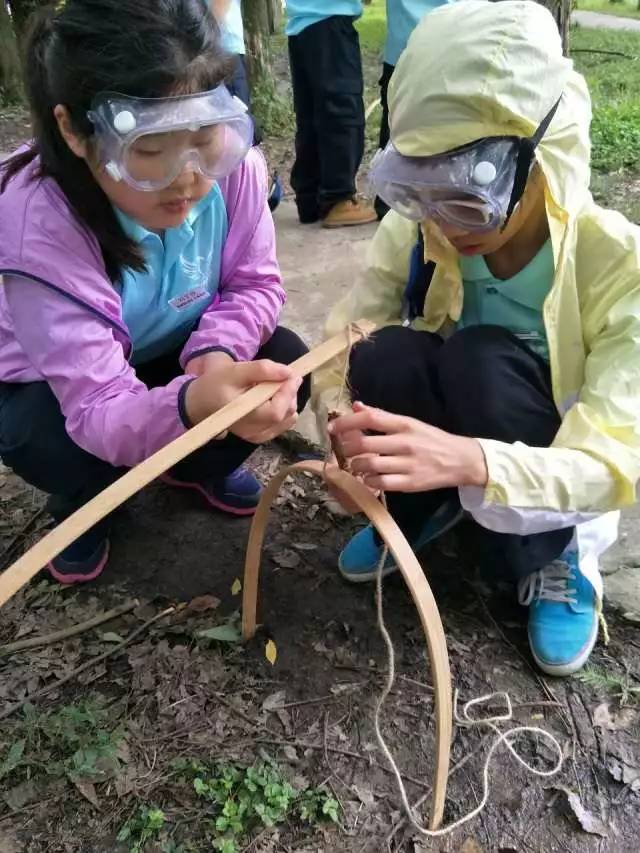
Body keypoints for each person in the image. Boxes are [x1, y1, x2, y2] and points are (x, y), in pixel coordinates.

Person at [313, 0, 640, 677]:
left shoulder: (617, 265)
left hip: (539, 440)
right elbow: (347, 334)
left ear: (542, 155)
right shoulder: (420, 227)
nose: (446, 220)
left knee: (481, 357)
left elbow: (615, 458)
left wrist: (474, 462)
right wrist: (338, 425)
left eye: (469, 194)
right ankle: (415, 506)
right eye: (420, 187)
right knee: (384, 353)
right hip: (464, 428)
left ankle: (553, 557)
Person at [0, 0, 309, 586]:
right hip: (59, 386)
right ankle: (85, 502)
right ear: (73, 130)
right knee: (43, 435)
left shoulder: (234, 168)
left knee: (285, 359)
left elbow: (254, 283)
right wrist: (196, 402)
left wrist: (213, 361)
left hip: (173, 352)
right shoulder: (37, 221)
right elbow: (93, 405)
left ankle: (192, 468)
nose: (187, 177)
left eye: (203, 137)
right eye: (149, 150)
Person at [284, 0, 377, 228]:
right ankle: (338, 198)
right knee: (342, 110)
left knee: (312, 114)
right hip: (330, 15)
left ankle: (311, 199)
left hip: (303, 22)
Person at [375, 0, 449, 221]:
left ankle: (391, 201)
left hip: (403, 44)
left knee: (398, 126)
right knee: (446, 127)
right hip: (450, 42)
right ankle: (437, 199)